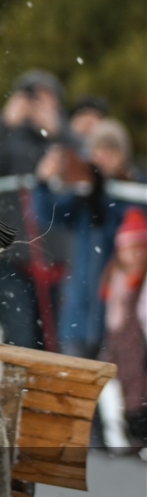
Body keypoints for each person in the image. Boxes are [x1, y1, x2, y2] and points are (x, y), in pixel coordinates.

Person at [0, 70, 76, 350]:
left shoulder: (64, 135)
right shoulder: (4, 131)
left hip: (54, 254)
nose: (35, 105)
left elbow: (85, 170)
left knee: (54, 342)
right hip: (12, 253)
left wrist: (58, 132)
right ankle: (16, 392)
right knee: (18, 339)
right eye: (30, 97)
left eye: (44, 98)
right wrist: (4, 123)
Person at [35, 118, 145, 358]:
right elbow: (47, 214)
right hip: (79, 302)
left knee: (121, 375)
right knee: (76, 377)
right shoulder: (82, 190)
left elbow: (130, 226)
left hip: (120, 305)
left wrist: (105, 196)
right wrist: (43, 182)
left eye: (110, 150)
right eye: (98, 150)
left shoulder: (134, 188)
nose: (103, 157)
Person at [99, 208, 147, 448]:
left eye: (140, 249)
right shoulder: (114, 277)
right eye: (130, 249)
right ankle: (133, 432)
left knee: (139, 388)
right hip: (122, 343)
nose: (135, 255)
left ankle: (139, 430)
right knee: (128, 387)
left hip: (139, 345)